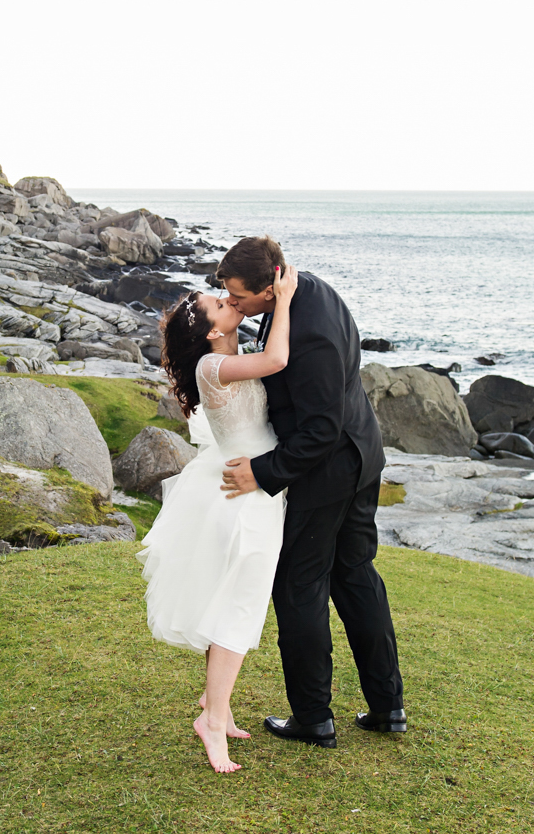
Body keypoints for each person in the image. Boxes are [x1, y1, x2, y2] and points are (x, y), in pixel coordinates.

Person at [216, 236, 405, 749]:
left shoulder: (312, 325)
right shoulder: (304, 294)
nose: (233, 305)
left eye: (238, 298)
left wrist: (263, 471)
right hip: (360, 453)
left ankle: (313, 717)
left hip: (332, 468)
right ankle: (388, 707)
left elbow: (321, 428)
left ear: (270, 284)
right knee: (354, 574)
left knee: (300, 585)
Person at [136, 264, 298, 773]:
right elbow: (279, 358)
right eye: (224, 305)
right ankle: (213, 721)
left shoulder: (230, 357)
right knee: (240, 607)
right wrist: (285, 298)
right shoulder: (213, 366)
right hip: (245, 499)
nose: (234, 304)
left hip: (254, 487)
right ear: (212, 330)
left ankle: (214, 707)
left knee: (233, 600)